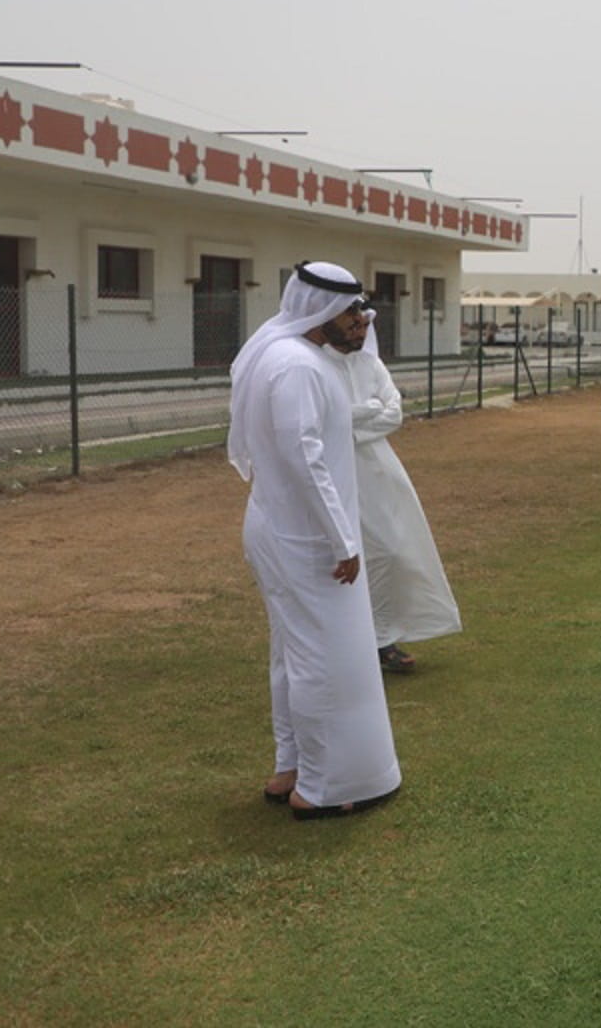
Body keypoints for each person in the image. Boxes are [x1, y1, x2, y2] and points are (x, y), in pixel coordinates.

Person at [227, 261, 401, 820]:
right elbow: (307, 458)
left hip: (286, 525)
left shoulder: (289, 357)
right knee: (327, 658)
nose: (361, 321)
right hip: (304, 535)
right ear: (319, 310)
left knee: (294, 653)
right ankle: (326, 786)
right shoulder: (296, 366)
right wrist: (342, 538)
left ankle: (292, 767)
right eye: (350, 312)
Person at [327, 312, 462, 672]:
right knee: (336, 556)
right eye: (354, 323)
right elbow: (325, 417)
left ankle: (382, 638)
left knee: (388, 550)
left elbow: (393, 414)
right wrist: (366, 410)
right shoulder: (318, 365)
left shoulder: (372, 366)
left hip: (377, 470)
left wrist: (352, 428)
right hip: (330, 469)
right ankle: (345, 644)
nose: (360, 330)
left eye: (365, 324)